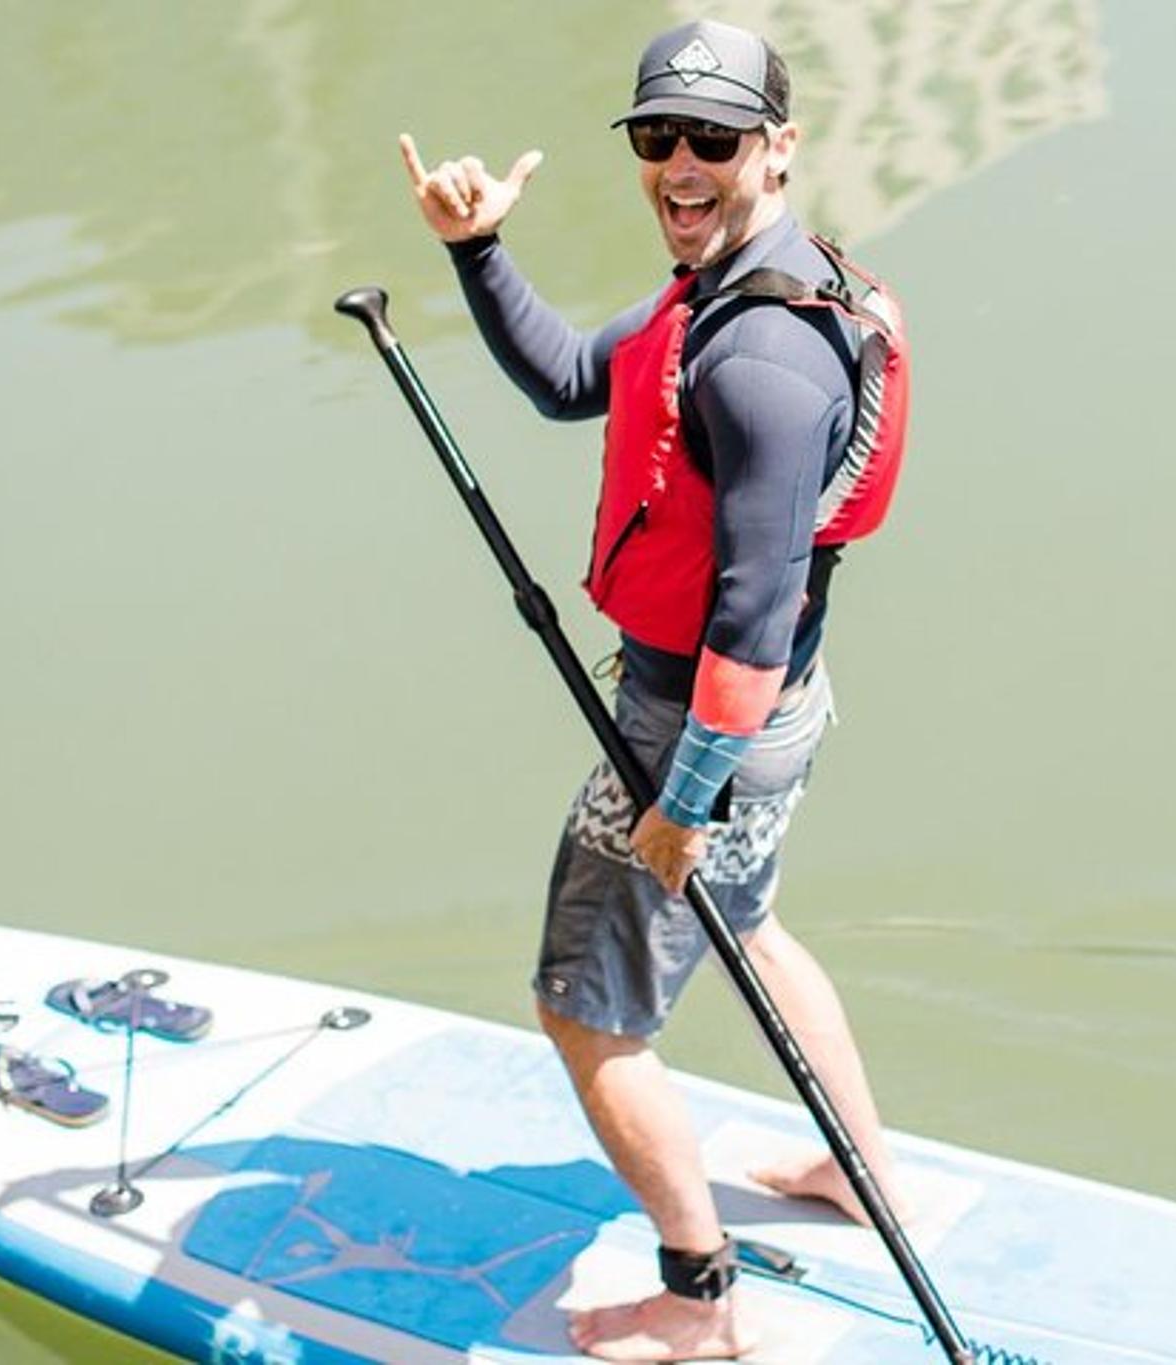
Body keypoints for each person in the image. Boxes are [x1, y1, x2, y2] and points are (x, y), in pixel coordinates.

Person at [400, 18, 911, 1362]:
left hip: (704, 725)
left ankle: (699, 1301)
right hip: (767, 720)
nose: (679, 166)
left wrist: (679, 802)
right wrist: (477, 250)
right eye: (655, 138)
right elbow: (575, 379)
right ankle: (858, 1170)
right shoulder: (743, 285)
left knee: (585, 1008)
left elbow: (752, 609)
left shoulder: (760, 357)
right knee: (755, 922)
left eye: (714, 141)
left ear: (779, 147)